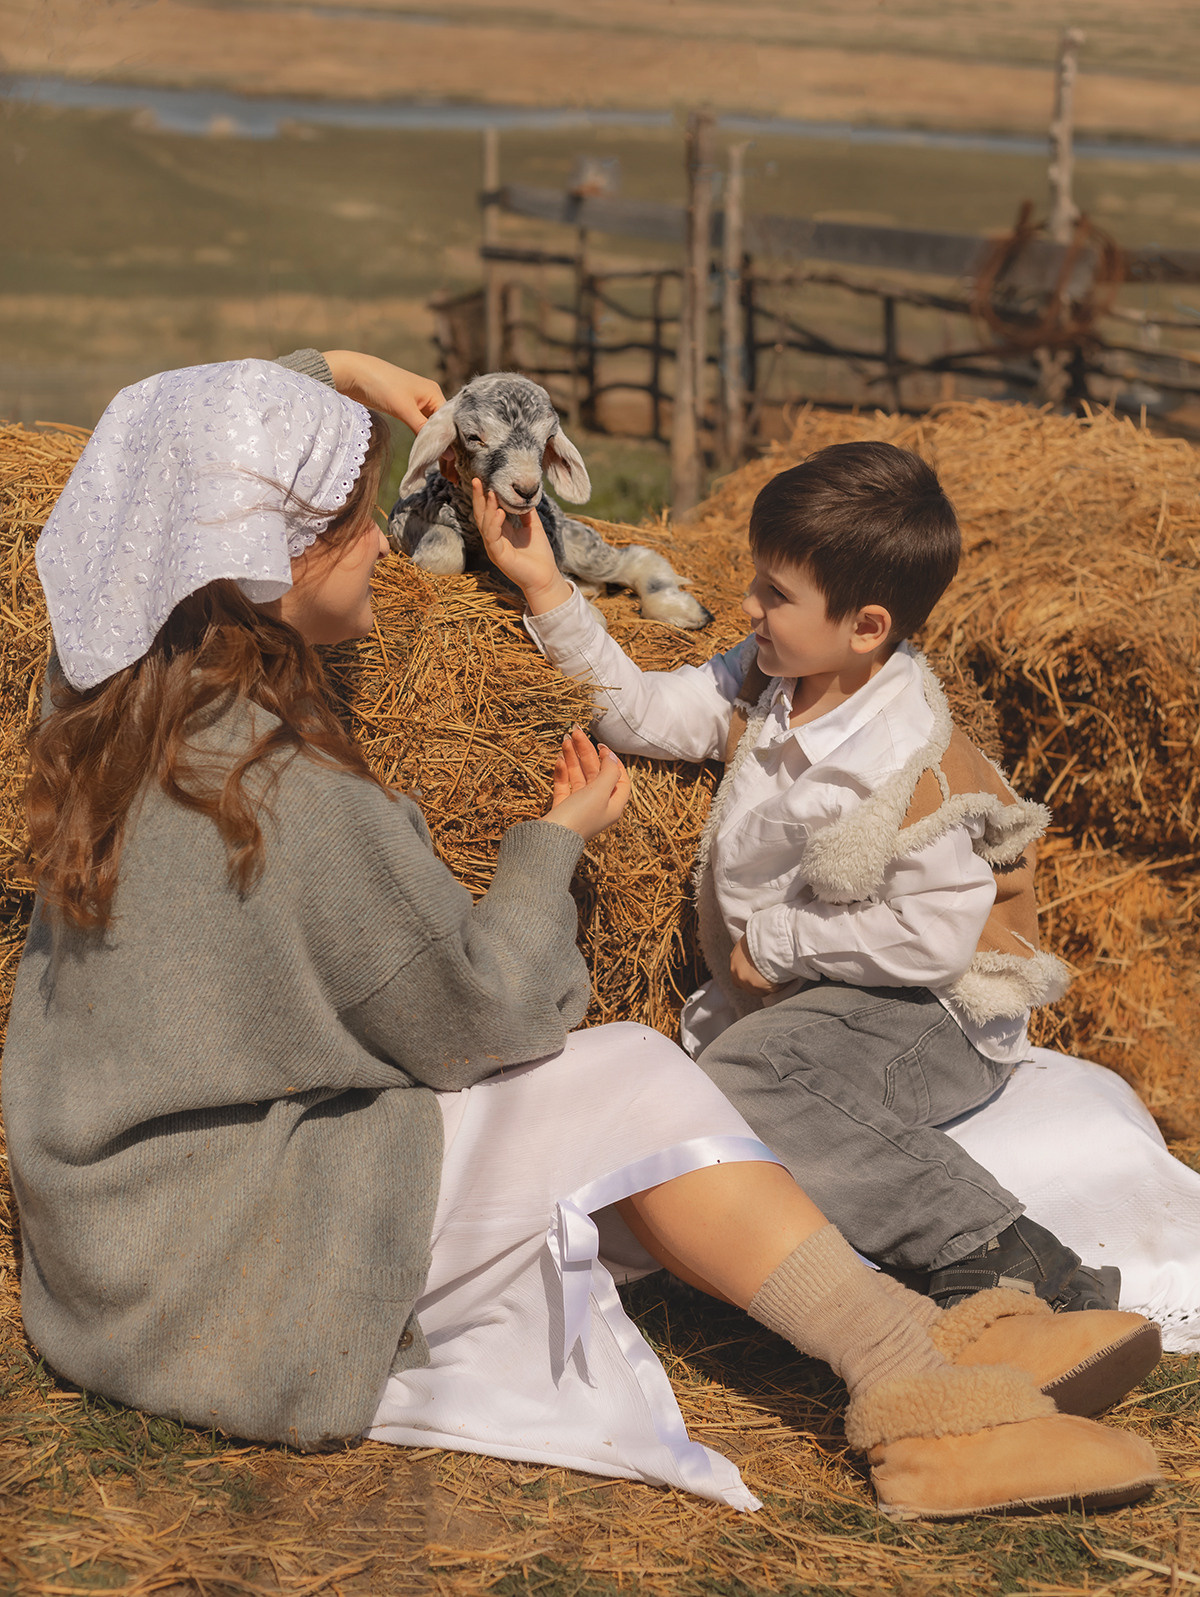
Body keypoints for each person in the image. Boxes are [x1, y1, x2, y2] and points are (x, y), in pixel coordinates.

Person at [1, 352, 1161, 1523]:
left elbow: (161, 465)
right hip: (221, 1250)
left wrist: (337, 374)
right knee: (636, 1073)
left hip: (115, 1225)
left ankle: (948, 1344)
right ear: (262, 565)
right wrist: (553, 841)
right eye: (354, 528)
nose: (380, 548)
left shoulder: (104, 687)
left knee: (640, 1106)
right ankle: (919, 1393)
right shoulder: (286, 798)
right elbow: (484, 1019)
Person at [477, 441, 1123, 1315]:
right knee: (730, 1070)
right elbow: (641, 710)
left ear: (866, 627)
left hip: (940, 1009)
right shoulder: (771, 681)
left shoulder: (901, 765)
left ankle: (1001, 1247)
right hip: (840, 991)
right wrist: (547, 588)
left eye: (775, 595)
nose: (747, 607)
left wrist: (782, 939)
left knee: (752, 1077)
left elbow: (936, 937)